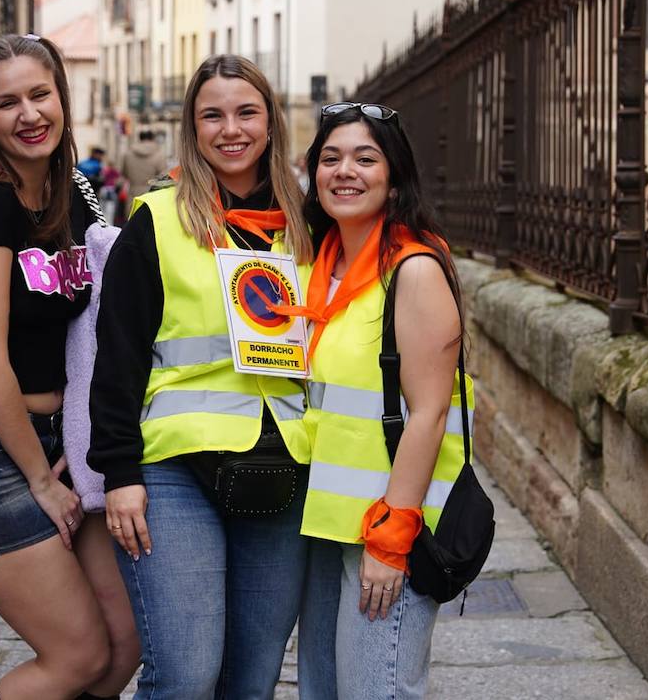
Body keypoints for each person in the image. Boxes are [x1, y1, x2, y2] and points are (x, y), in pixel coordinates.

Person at [0, 34, 138, 700]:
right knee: (77, 656)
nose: (29, 114)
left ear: (62, 98)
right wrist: (41, 482)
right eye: (7, 103)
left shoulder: (66, 193)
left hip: (54, 446)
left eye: (40, 95)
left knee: (125, 641)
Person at [89, 54, 314, 699]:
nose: (231, 129)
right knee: (185, 675)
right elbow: (118, 357)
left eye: (246, 112)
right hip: (174, 470)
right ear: (193, 128)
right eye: (212, 115)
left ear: (270, 122)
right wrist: (120, 476)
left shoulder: (308, 225)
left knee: (252, 679)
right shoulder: (155, 221)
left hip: (282, 466)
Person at [293, 102, 467, 700]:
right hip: (327, 524)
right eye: (331, 157)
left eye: (366, 159)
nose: (346, 171)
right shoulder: (323, 266)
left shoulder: (413, 270)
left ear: (394, 178)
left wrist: (392, 538)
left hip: (388, 526)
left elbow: (431, 411)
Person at [121, 128, 167, 194]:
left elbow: (125, 174)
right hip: (151, 194)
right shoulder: (159, 155)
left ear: (140, 138)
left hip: (133, 193)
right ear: (152, 138)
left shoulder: (128, 154)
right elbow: (163, 176)